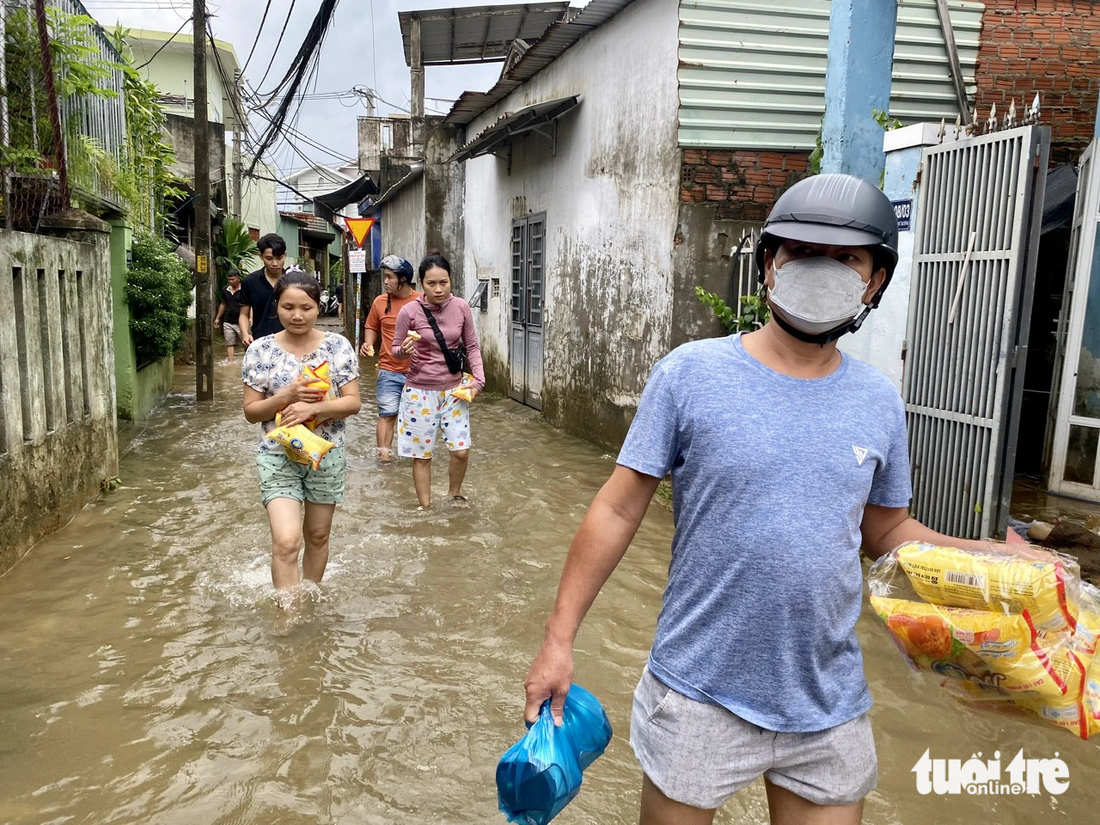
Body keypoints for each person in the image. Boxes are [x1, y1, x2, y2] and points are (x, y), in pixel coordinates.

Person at [522, 174, 1005, 825]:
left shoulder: (879, 400)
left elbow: (887, 532)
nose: (821, 269)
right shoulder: (690, 374)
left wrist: (997, 557)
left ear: (876, 282)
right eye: (803, 251)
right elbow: (617, 507)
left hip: (826, 700)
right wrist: (558, 639)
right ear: (770, 265)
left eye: (846, 259)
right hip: (697, 688)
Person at [241, 270, 361, 605]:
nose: (297, 315)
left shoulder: (338, 347)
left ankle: (310, 599)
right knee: (287, 540)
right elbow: (251, 412)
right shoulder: (261, 350)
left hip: (326, 453)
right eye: (288, 307)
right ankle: (288, 615)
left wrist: (314, 409)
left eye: (306, 307)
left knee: (318, 534)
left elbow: (353, 402)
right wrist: (286, 396)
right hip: (277, 454)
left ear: (318, 306)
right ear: (275, 306)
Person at [392, 252, 484, 508]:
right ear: (421, 283)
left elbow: (473, 346)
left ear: (451, 280)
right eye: (431, 283)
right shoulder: (409, 312)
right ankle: (426, 507)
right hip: (419, 392)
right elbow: (395, 350)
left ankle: (454, 494)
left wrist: (478, 381)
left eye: (443, 282)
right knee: (422, 456)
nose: (438, 289)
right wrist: (405, 350)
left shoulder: (462, 307)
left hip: (455, 390)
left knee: (461, 450)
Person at [359, 255, 421, 463]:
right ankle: (384, 459)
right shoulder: (379, 302)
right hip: (388, 369)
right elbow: (371, 326)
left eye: (389, 277)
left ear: (402, 280)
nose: (385, 281)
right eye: (385, 277)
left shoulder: (421, 302)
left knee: (418, 418)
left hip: (419, 373)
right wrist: (368, 343)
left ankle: (417, 459)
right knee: (387, 414)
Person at [239, 233, 287, 344]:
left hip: (291, 342)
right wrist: (245, 334)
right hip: (261, 342)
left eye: (279, 258)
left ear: (285, 255)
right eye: (269, 258)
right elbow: (243, 314)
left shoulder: (293, 281)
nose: (275, 263)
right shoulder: (250, 282)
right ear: (261, 256)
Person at [213, 268, 243, 365]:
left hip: (241, 321)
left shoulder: (245, 289)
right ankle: (231, 361)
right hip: (228, 321)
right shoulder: (225, 290)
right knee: (229, 343)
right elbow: (223, 304)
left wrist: (250, 318)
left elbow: (249, 305)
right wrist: (217, 318)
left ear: (238, 279)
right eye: (229, 280)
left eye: (233, 279)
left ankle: (249, 360)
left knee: (246, 342)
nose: (230, 282)